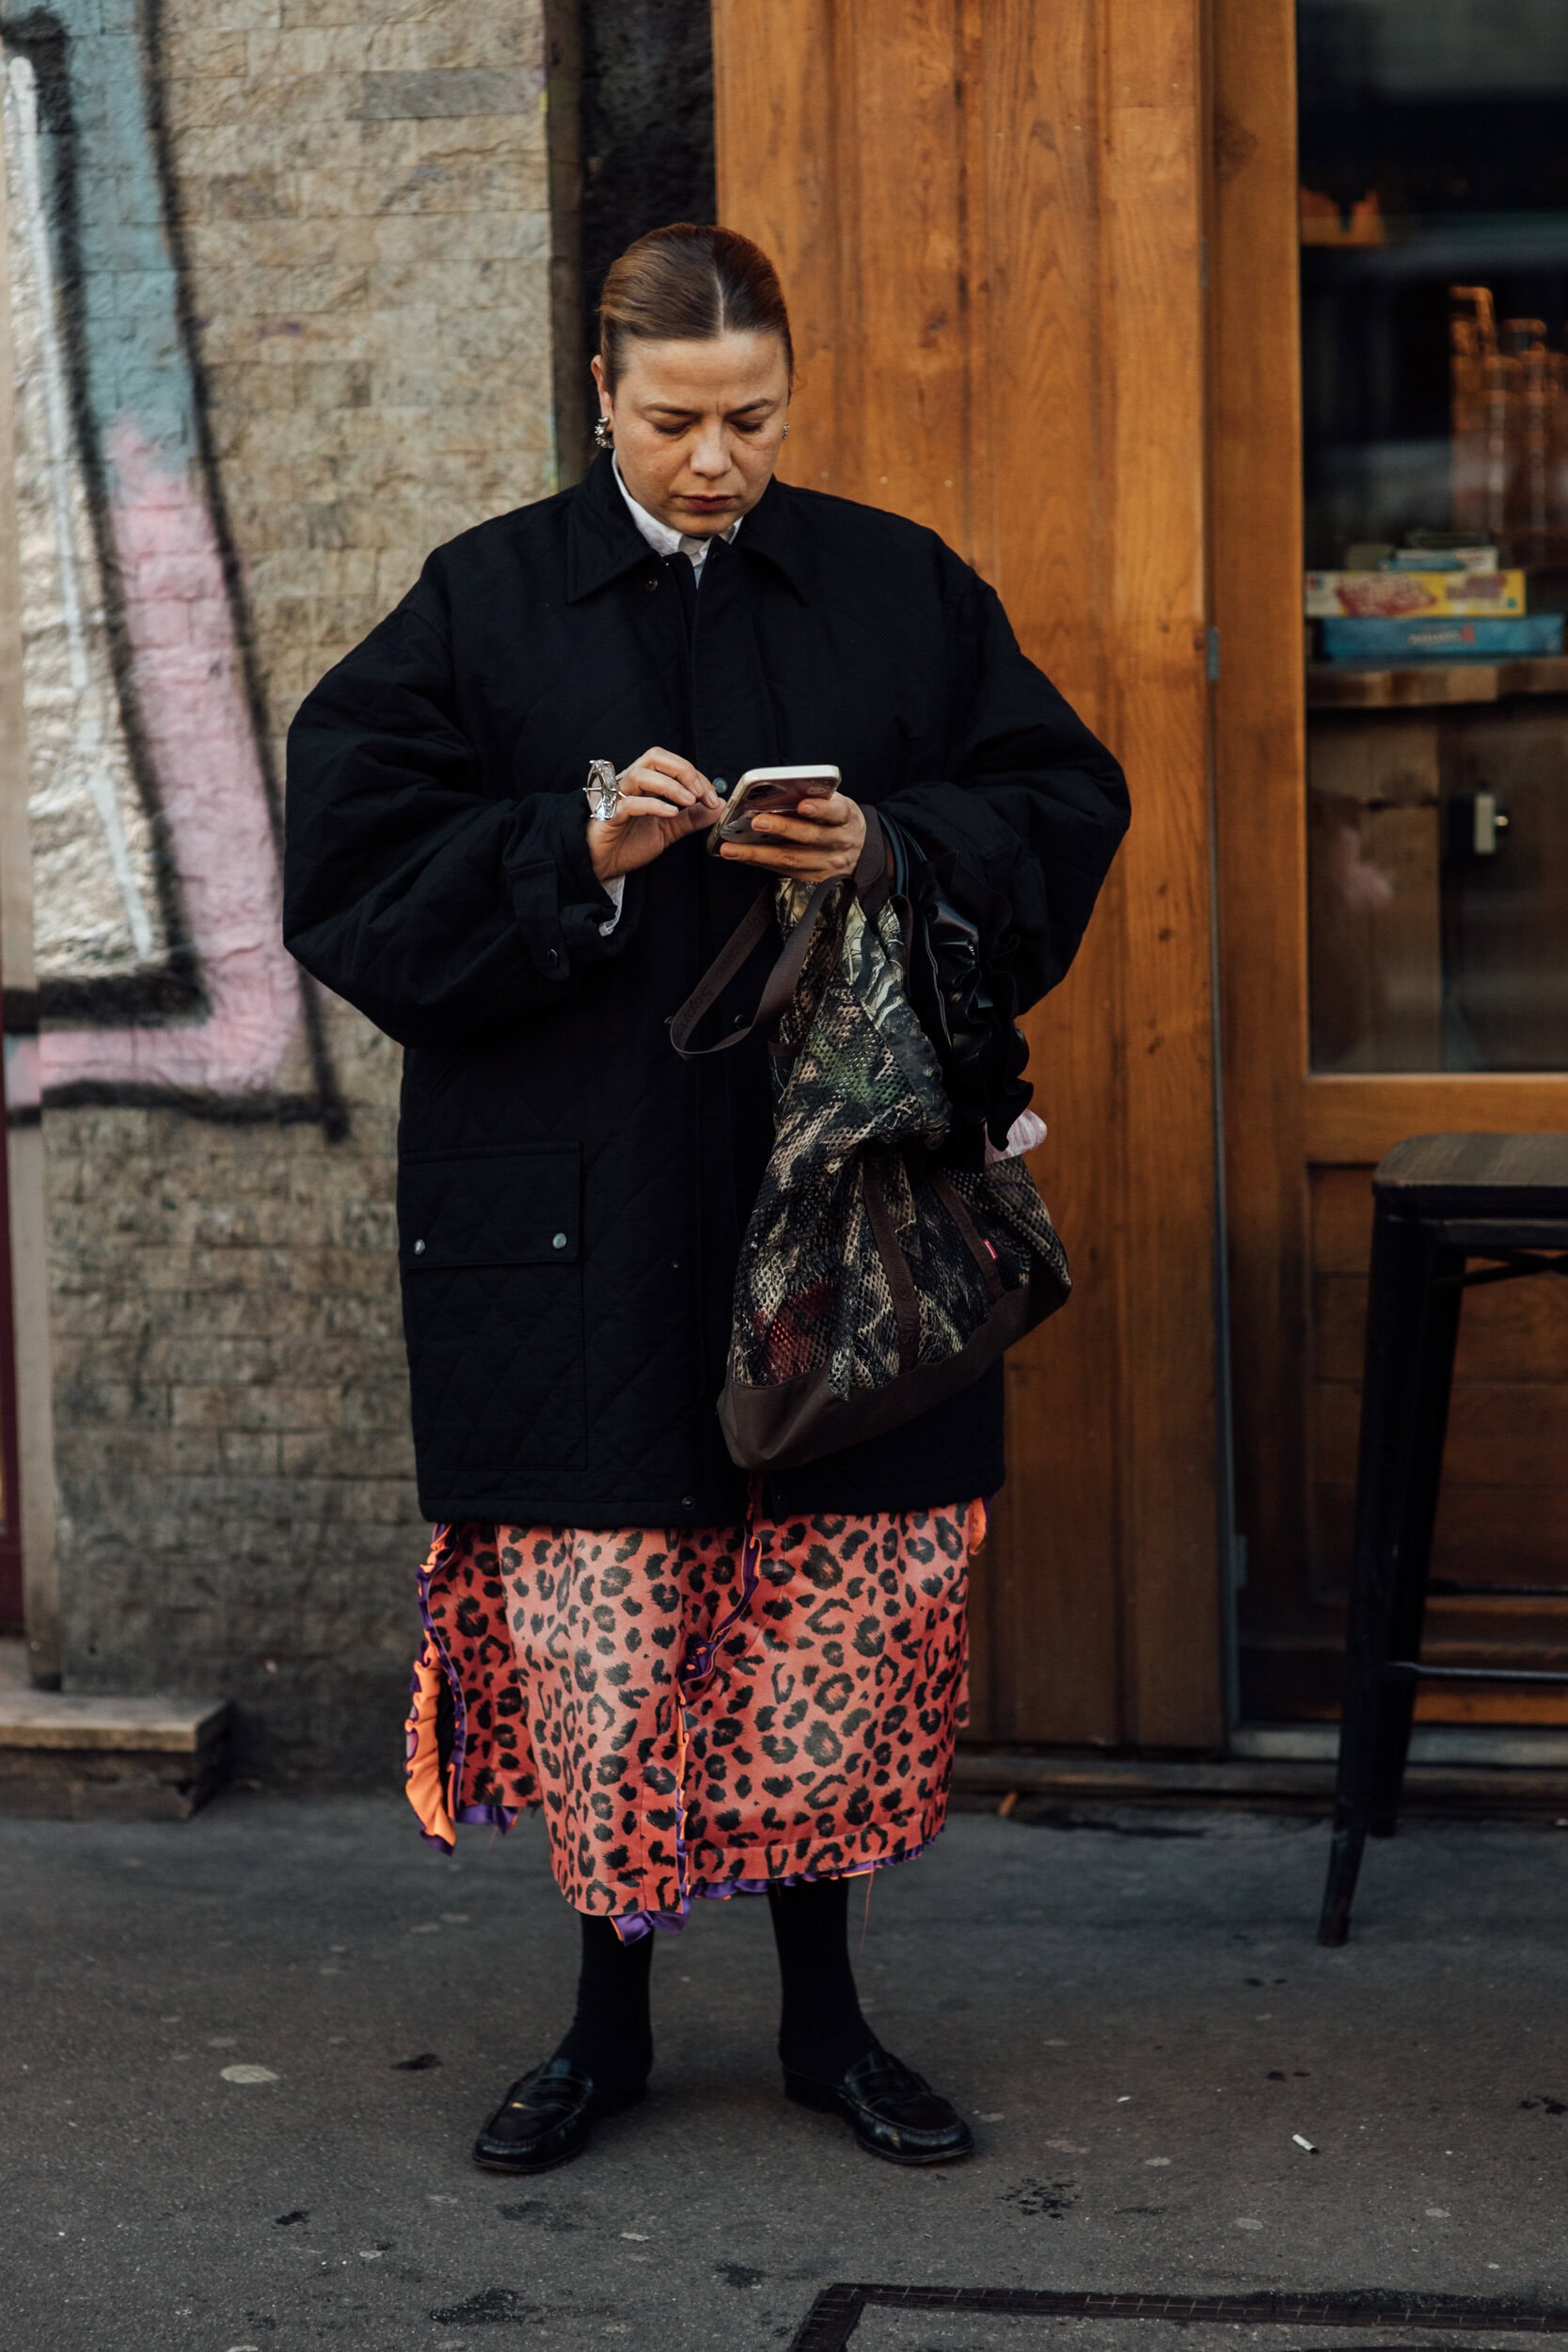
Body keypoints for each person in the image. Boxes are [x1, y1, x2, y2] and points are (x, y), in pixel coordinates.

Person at [283, 223, 1128, 2174]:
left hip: (838, 1211)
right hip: (573, 1217)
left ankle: (831, 2024)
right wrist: (571, 844)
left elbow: (1063, 805)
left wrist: (888, 847)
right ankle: (605, 2025)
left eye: (752, 416)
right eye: (674, 419)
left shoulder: (899, 586)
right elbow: (347, 873)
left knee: (823, 1622)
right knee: (610, 1645)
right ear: (601, 392)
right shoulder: (482, 602)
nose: (715, 459)